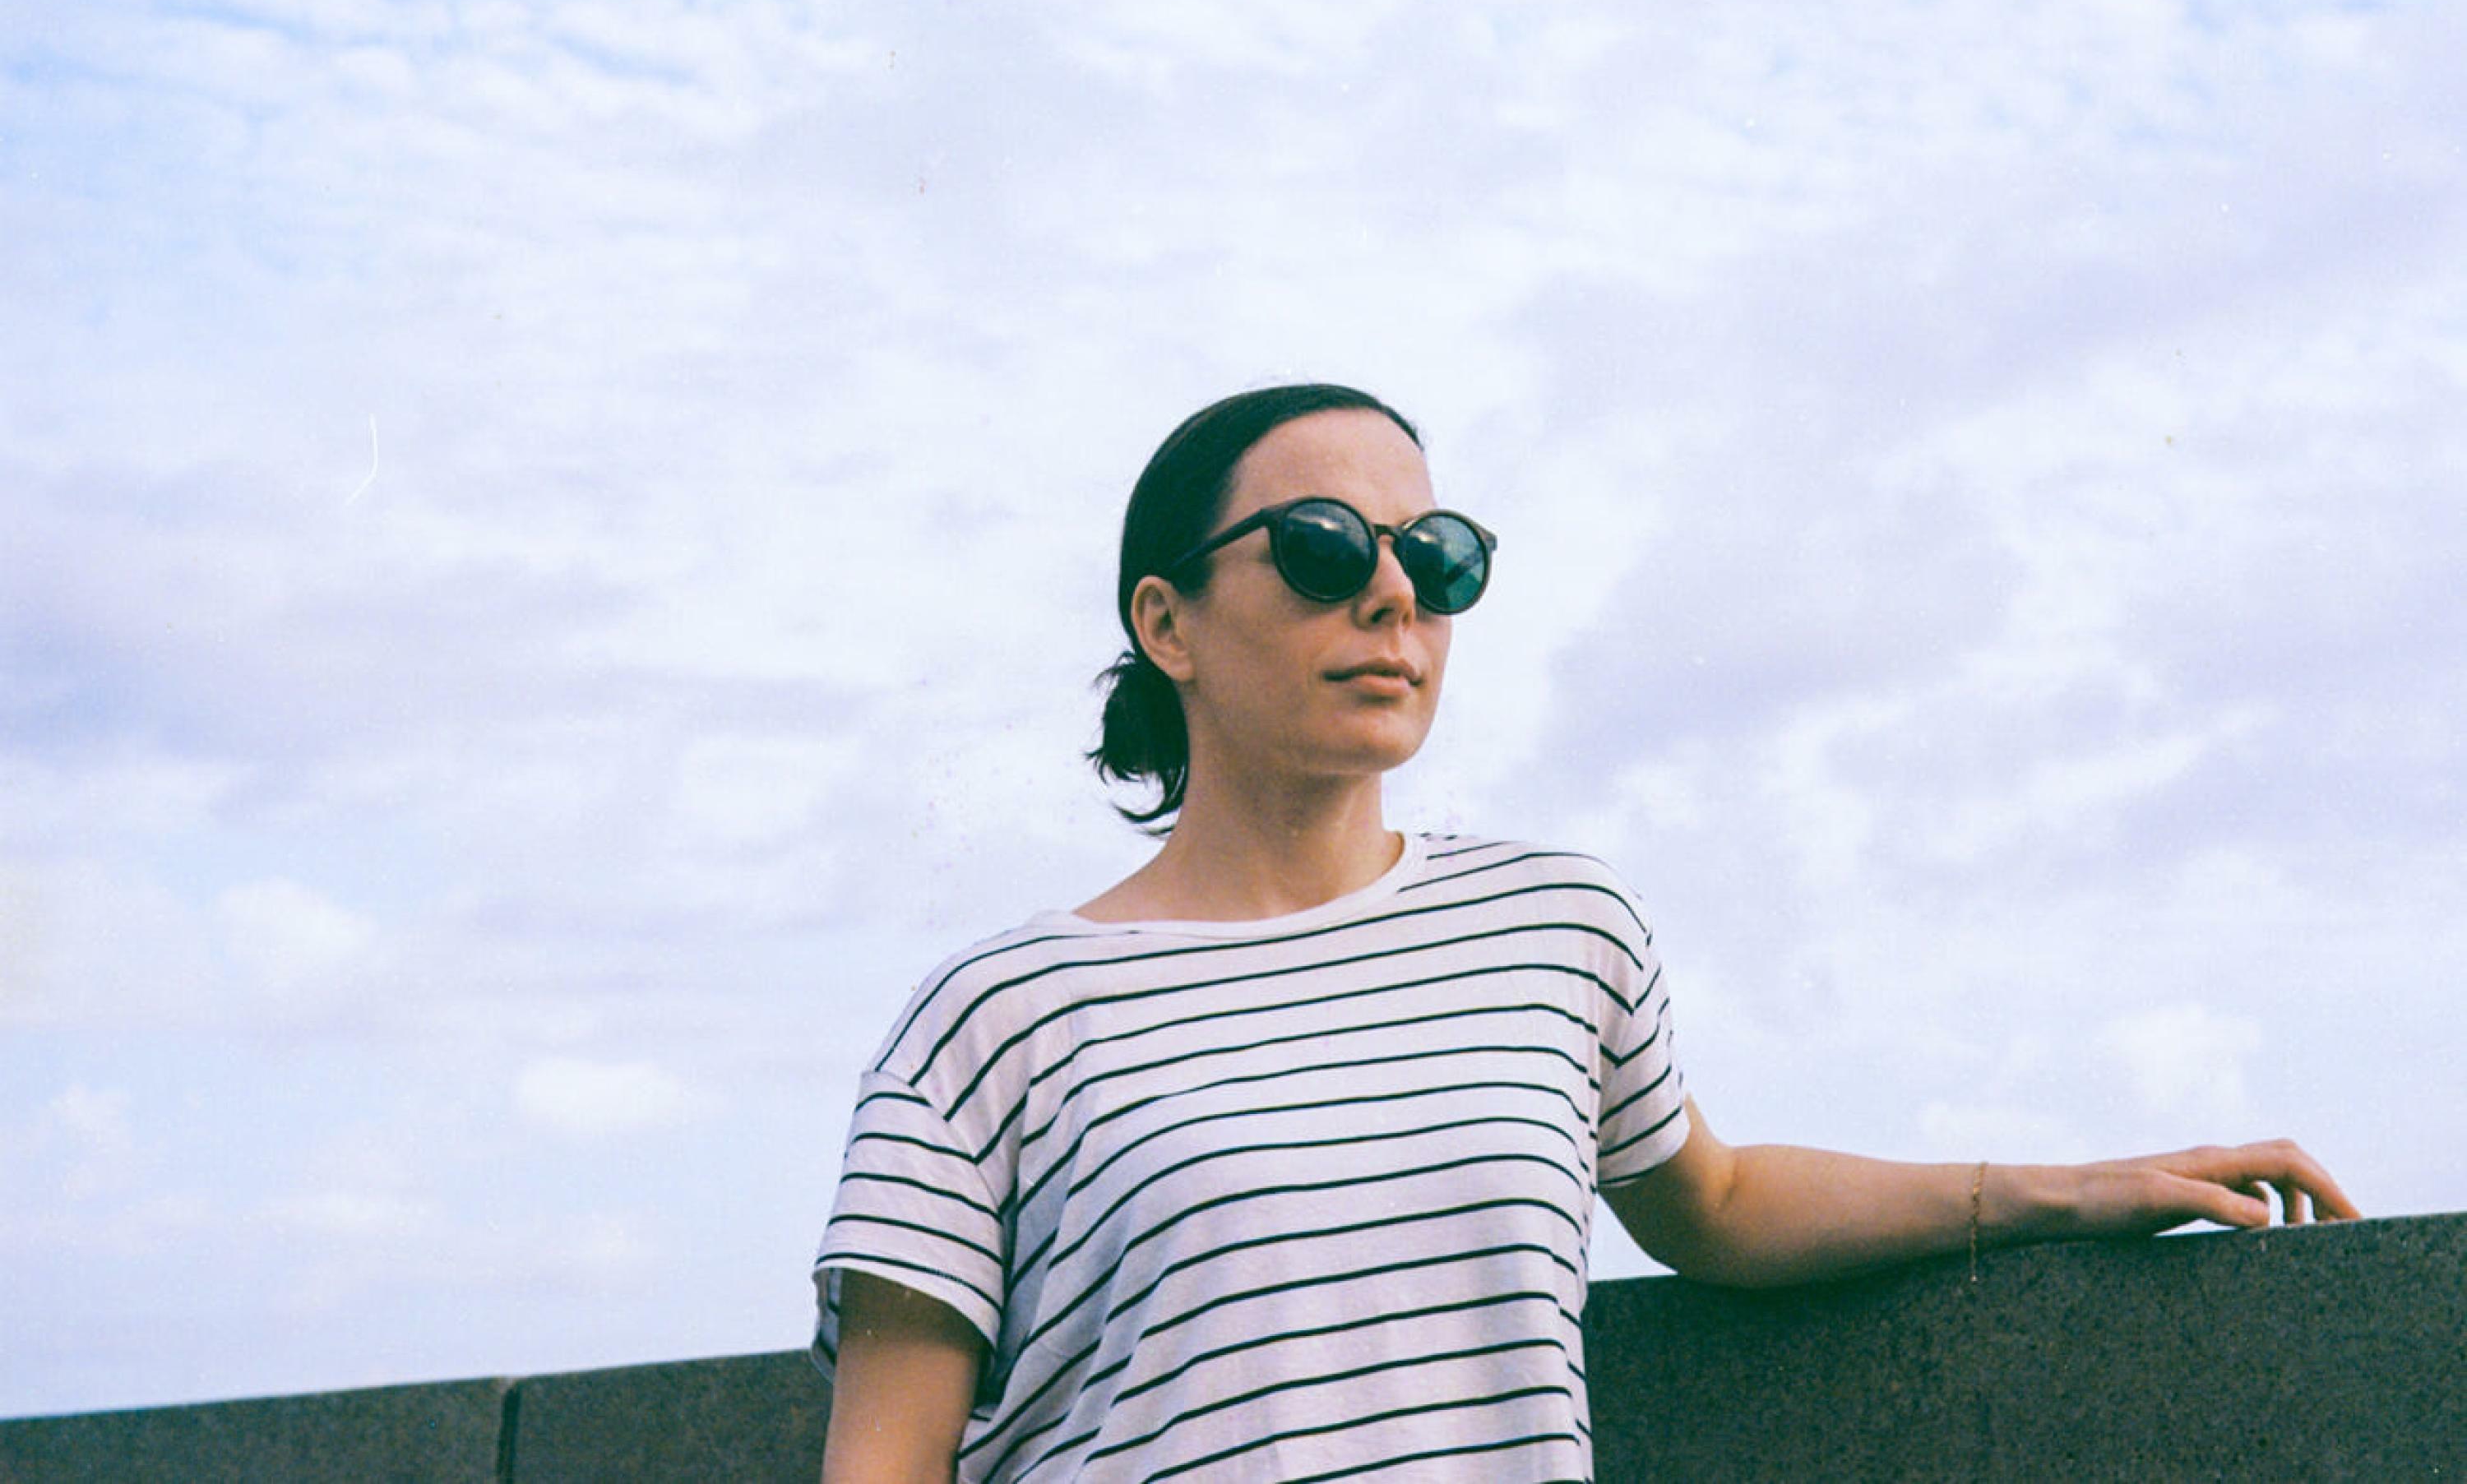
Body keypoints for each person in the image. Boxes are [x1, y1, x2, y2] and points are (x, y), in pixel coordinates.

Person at [812, 383, 2355, 1483]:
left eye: (1437, 556)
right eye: (1325, 548)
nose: (1393, 597)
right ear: (1167, 623)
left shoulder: (1556, 926)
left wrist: (2068, 1192)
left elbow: (1715, 1201)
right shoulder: (996, 1018)